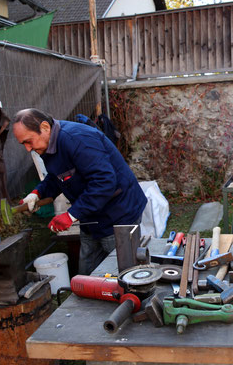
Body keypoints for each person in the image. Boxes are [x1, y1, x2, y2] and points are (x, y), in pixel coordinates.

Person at [12, 108, 147, 274]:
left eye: (28, 141)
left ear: (45, 127)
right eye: (23, 144)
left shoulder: (77, 139)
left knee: (125, 273)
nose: (27, 149)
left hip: (119, 213)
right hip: (90, 216)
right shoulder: (47, 146)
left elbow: (104, 181)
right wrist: (37, 193)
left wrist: (70, 215)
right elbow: (58, 176)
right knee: (87, 275)